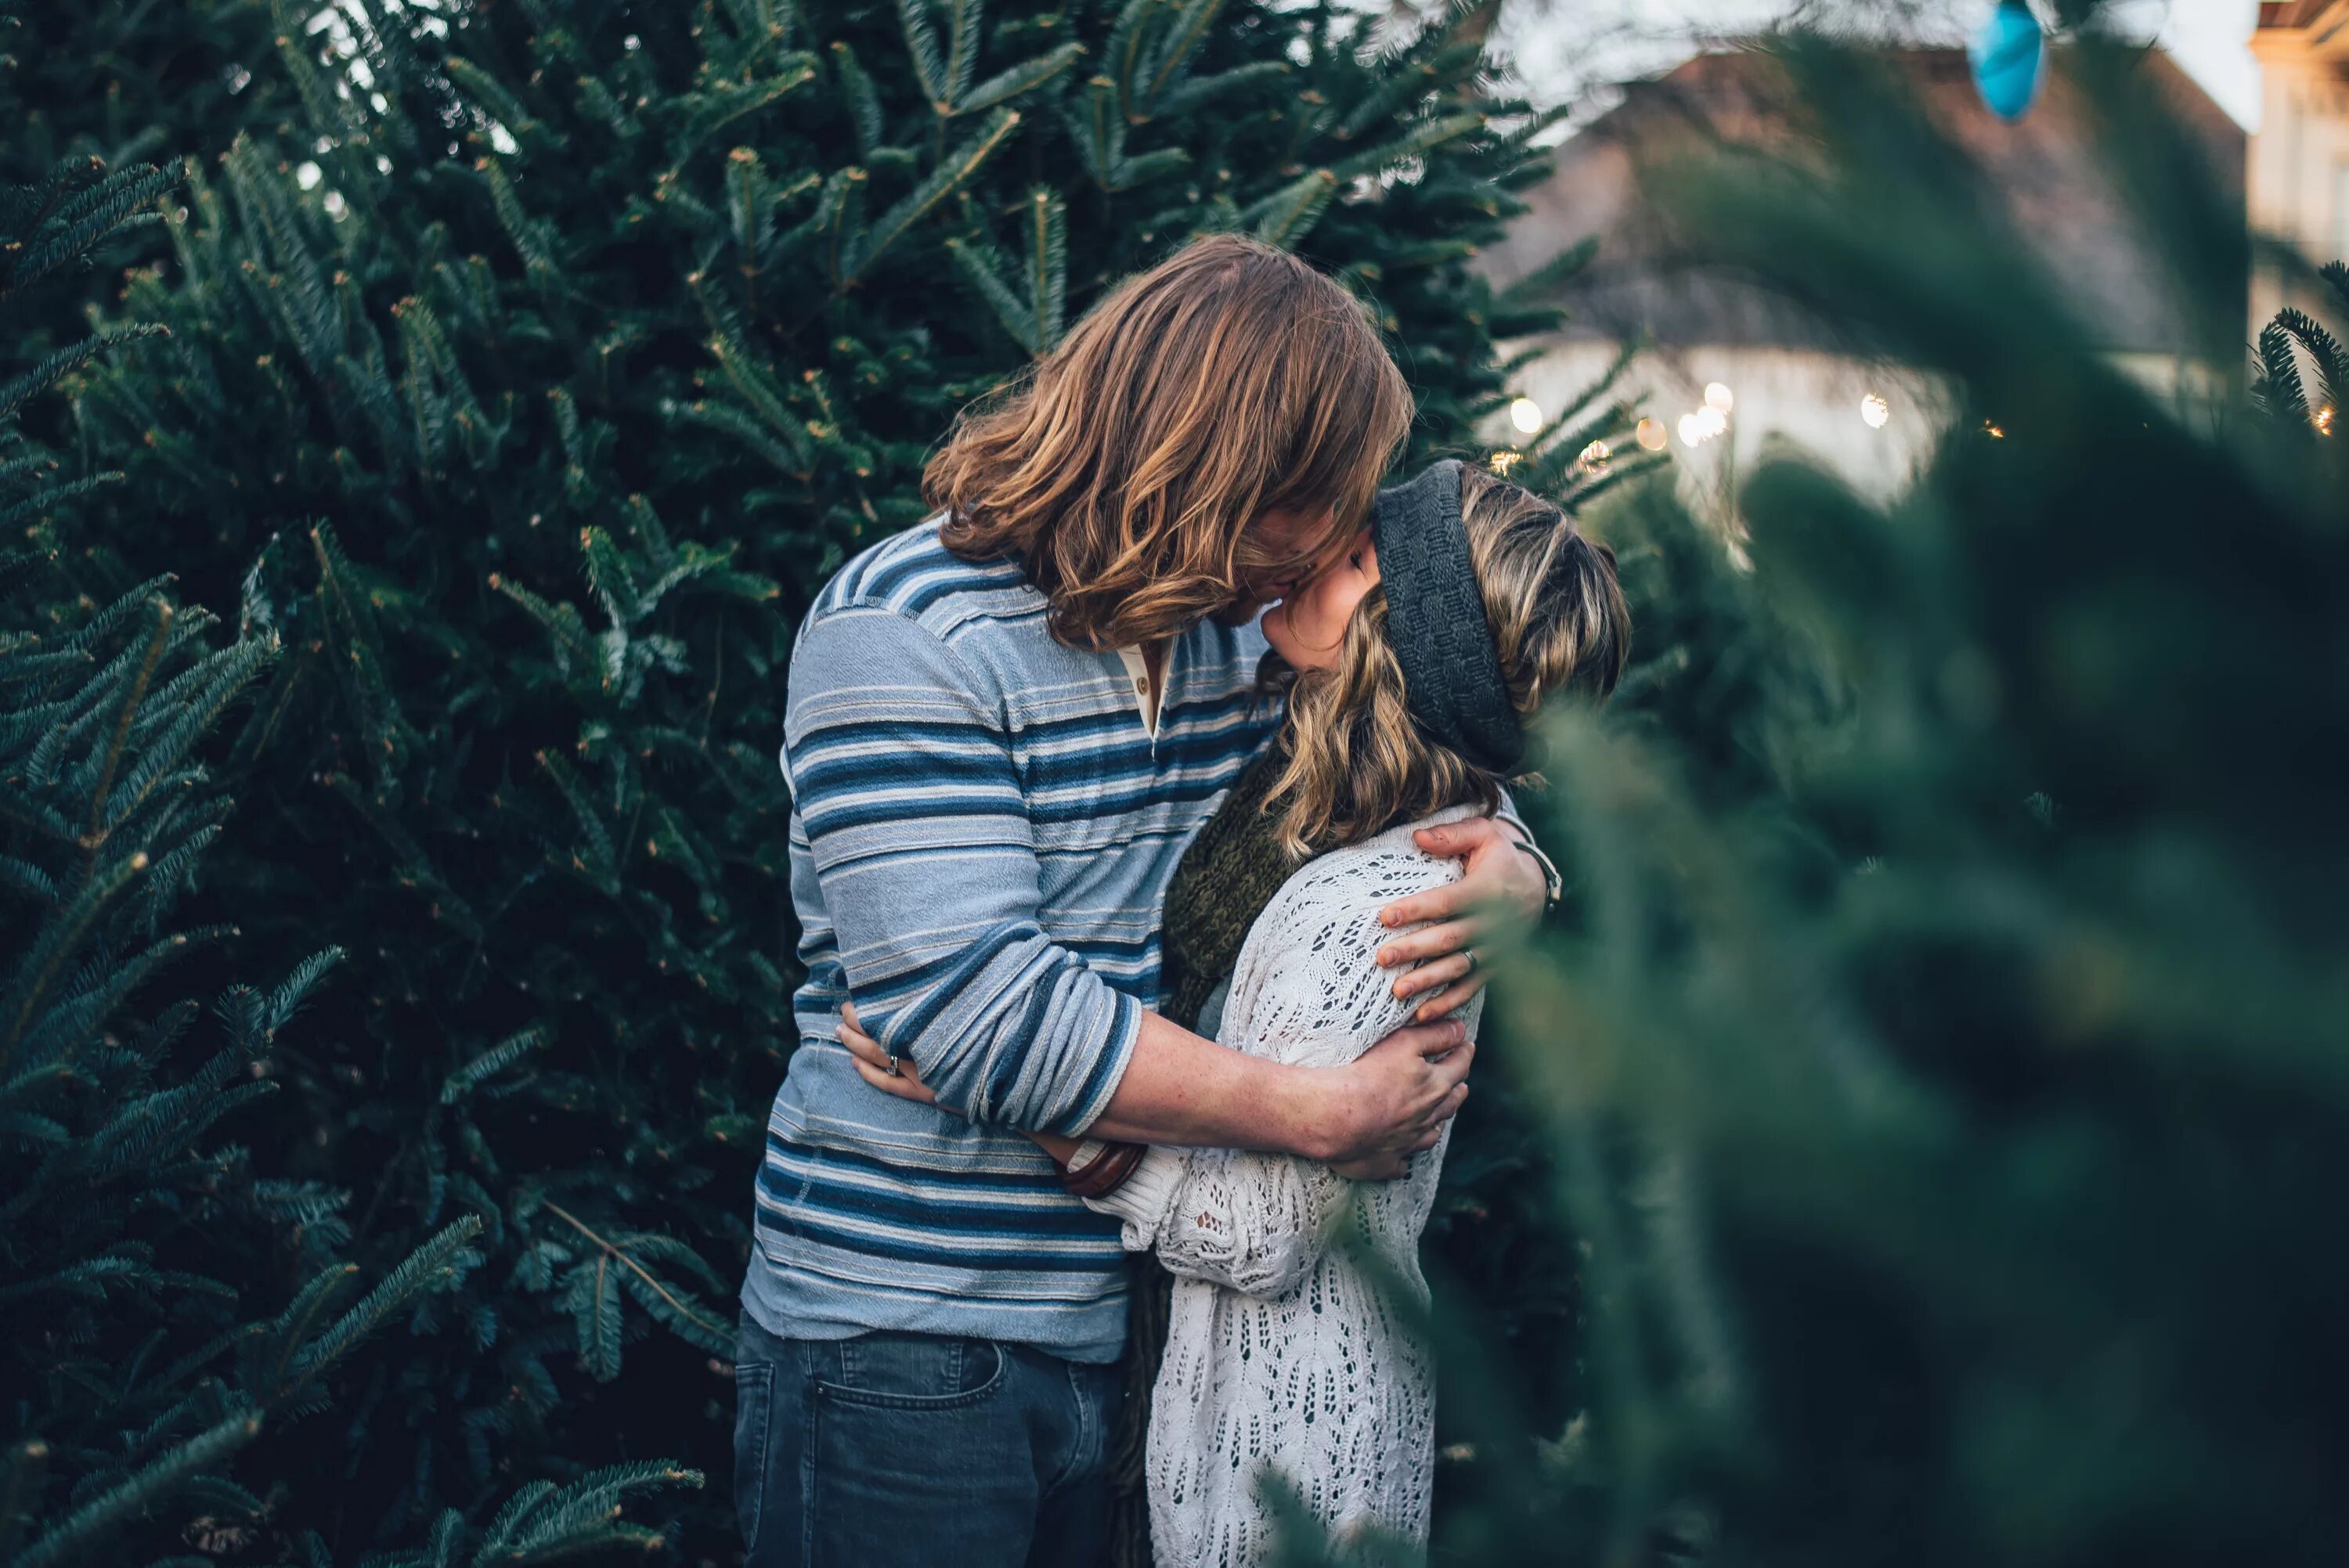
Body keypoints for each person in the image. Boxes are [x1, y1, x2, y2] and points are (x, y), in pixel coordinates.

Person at [734, 237, 1557, 1568]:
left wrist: (1517, 863)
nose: (1334, 546)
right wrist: (1314, 1112)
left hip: (1136, 1329)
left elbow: (1422, 728)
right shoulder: (903, 631)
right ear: (1220, 473)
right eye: (1320, 508)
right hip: (905, 1339)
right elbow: (984, 1016)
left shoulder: (1236, 631)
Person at [853, 460, 1631, 1566]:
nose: (1319, 555)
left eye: (1359, 559)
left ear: (1401, 649)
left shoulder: (1381, 907)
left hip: (1287, 1438)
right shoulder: (1311, 770)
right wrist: (1523, 859)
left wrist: (1014, 1094)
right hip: (1203, 1386)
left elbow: (1262, 1236)